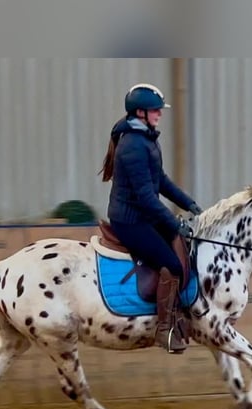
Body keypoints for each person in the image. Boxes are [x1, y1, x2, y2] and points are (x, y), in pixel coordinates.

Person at [99, 83, 203, 354]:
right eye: (156, 110)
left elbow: (162, 181)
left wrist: (190, 204)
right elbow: (147, 198)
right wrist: (174, 223)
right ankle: (164, 329)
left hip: (143, 214)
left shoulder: (146, 139)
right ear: (141, 112)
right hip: (130, 221)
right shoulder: (133, 145)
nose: (160, 114)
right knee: (173, 265)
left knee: (184, 249)